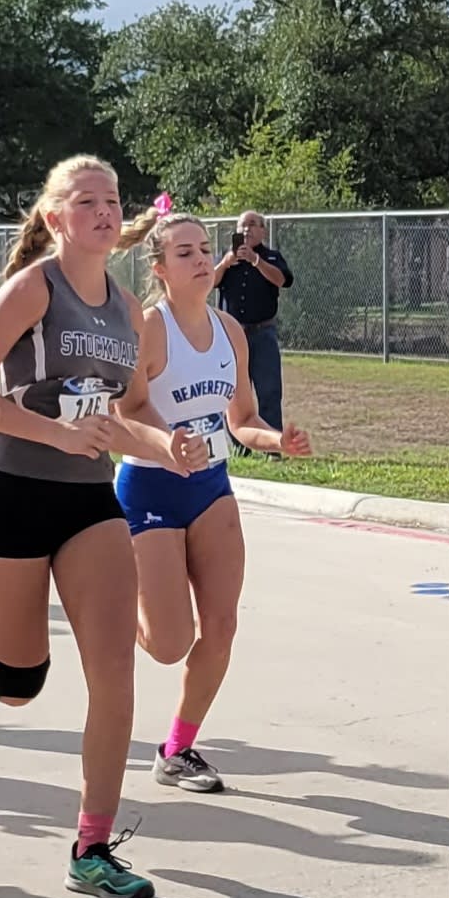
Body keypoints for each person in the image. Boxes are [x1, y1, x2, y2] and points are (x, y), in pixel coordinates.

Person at [0, 154, 208, 898]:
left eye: (112, 200)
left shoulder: (127, 309)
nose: (104, 211)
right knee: (16, 682)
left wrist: (168, 444)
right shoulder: (33, 288)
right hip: (12, 496)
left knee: (115, 676)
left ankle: (92, 846)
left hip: (90, 503)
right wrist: (53, 431)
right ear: (55, 217)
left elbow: (129, 410)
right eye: (86, 201)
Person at [117, 213, 312, 792]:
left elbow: (242, 418)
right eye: (185, 253)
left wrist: (276, 441)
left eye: (204, 249)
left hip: (210, 489)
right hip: (150, 488)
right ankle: (106, 599)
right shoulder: (148, 328)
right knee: (169, 643)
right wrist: (168, 443)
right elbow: (127, 410)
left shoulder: (230, 330)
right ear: (160, 268)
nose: (202, 260)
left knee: (221, 626)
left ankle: (177, 750)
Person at [214, 210, 293, 440]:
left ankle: (273, 443)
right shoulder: (226, 257)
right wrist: (225, 263)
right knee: (234, 392)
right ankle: (240, 445)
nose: (246, 230)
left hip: (262, 333)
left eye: (252, 224)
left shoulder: (272, 257)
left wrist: (256, 261)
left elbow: (282, 280)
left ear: (263, 231)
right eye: (242, 225)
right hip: (232, 336)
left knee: (269, 390)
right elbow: (209, 282)